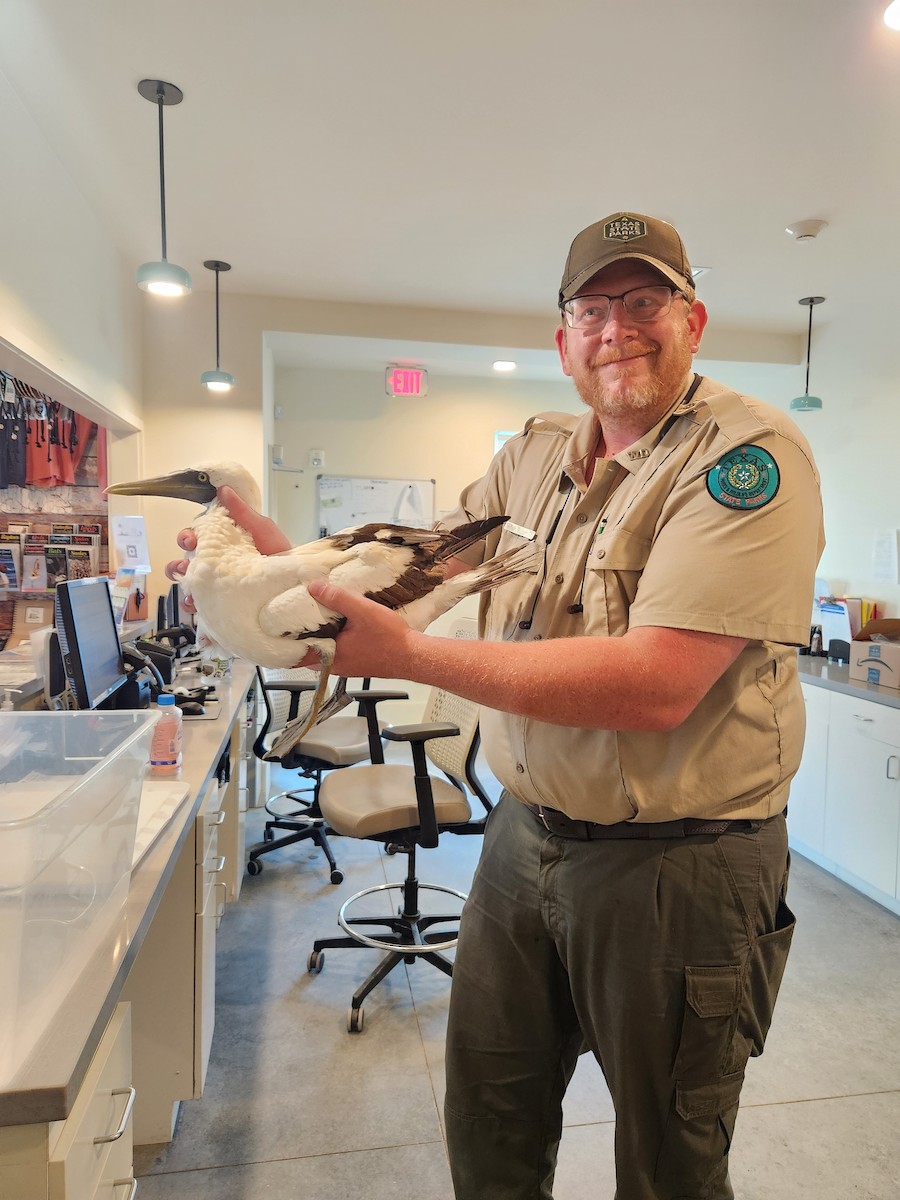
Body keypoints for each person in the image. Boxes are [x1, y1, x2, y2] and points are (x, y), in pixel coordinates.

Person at [168, 211, 824, 1200]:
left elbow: (655, 684)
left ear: (694, 321)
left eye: (644, 303)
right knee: (489, 1123)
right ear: (562, 341)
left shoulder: (745, 460)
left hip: (681, 868)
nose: (618, 331)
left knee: (670, 1165)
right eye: (593, 310)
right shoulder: (531, 460)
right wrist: (279, 569)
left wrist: (419, 662)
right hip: (526, 842)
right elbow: (417, 567)